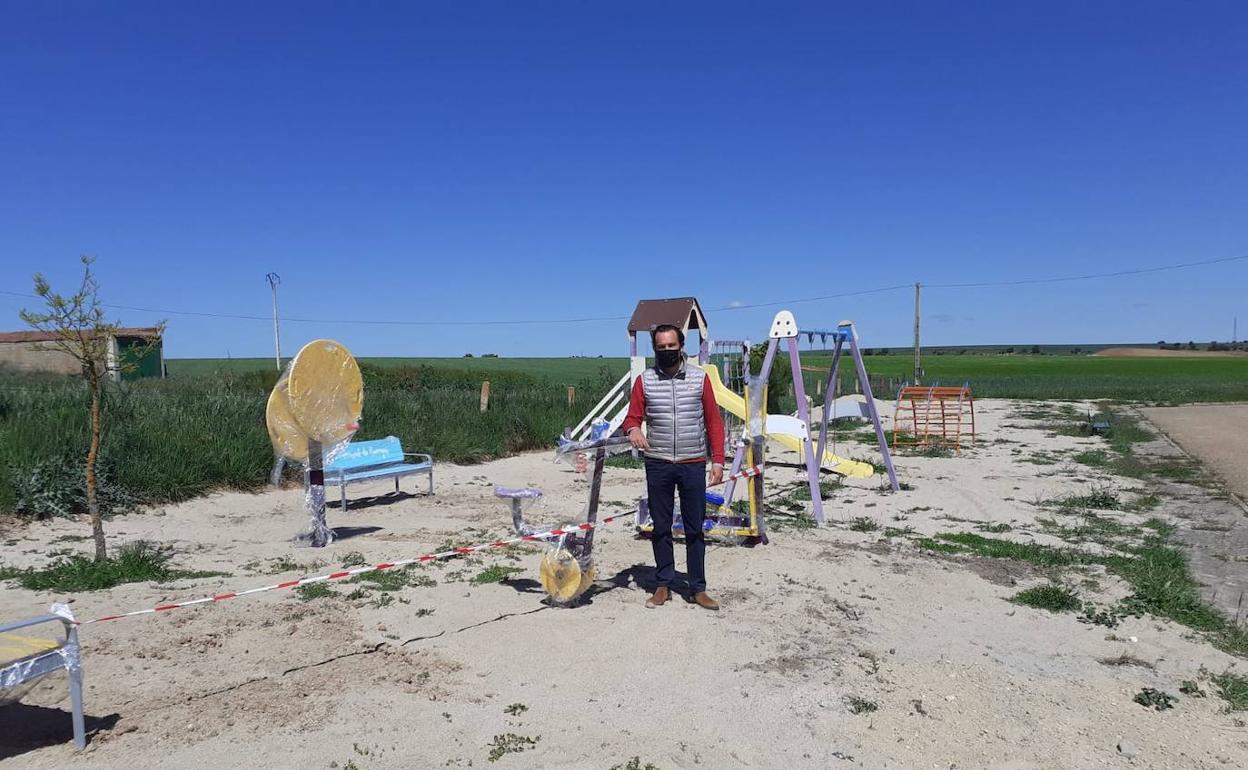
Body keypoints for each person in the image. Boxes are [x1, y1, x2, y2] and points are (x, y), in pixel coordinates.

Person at [621, 323, 726, 610]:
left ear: (681, 346)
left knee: (695, 528)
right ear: (654, 348)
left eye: (671, 345)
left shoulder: (699, 378)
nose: (667, 351)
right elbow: (630, 418)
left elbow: (714, 422)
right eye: (661, 347)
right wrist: (633, 431)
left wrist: (718, 459)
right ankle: (663, 585)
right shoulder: (645, 381)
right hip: (659, 464)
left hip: (692, 463)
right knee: (661, 527)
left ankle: (697, 588)